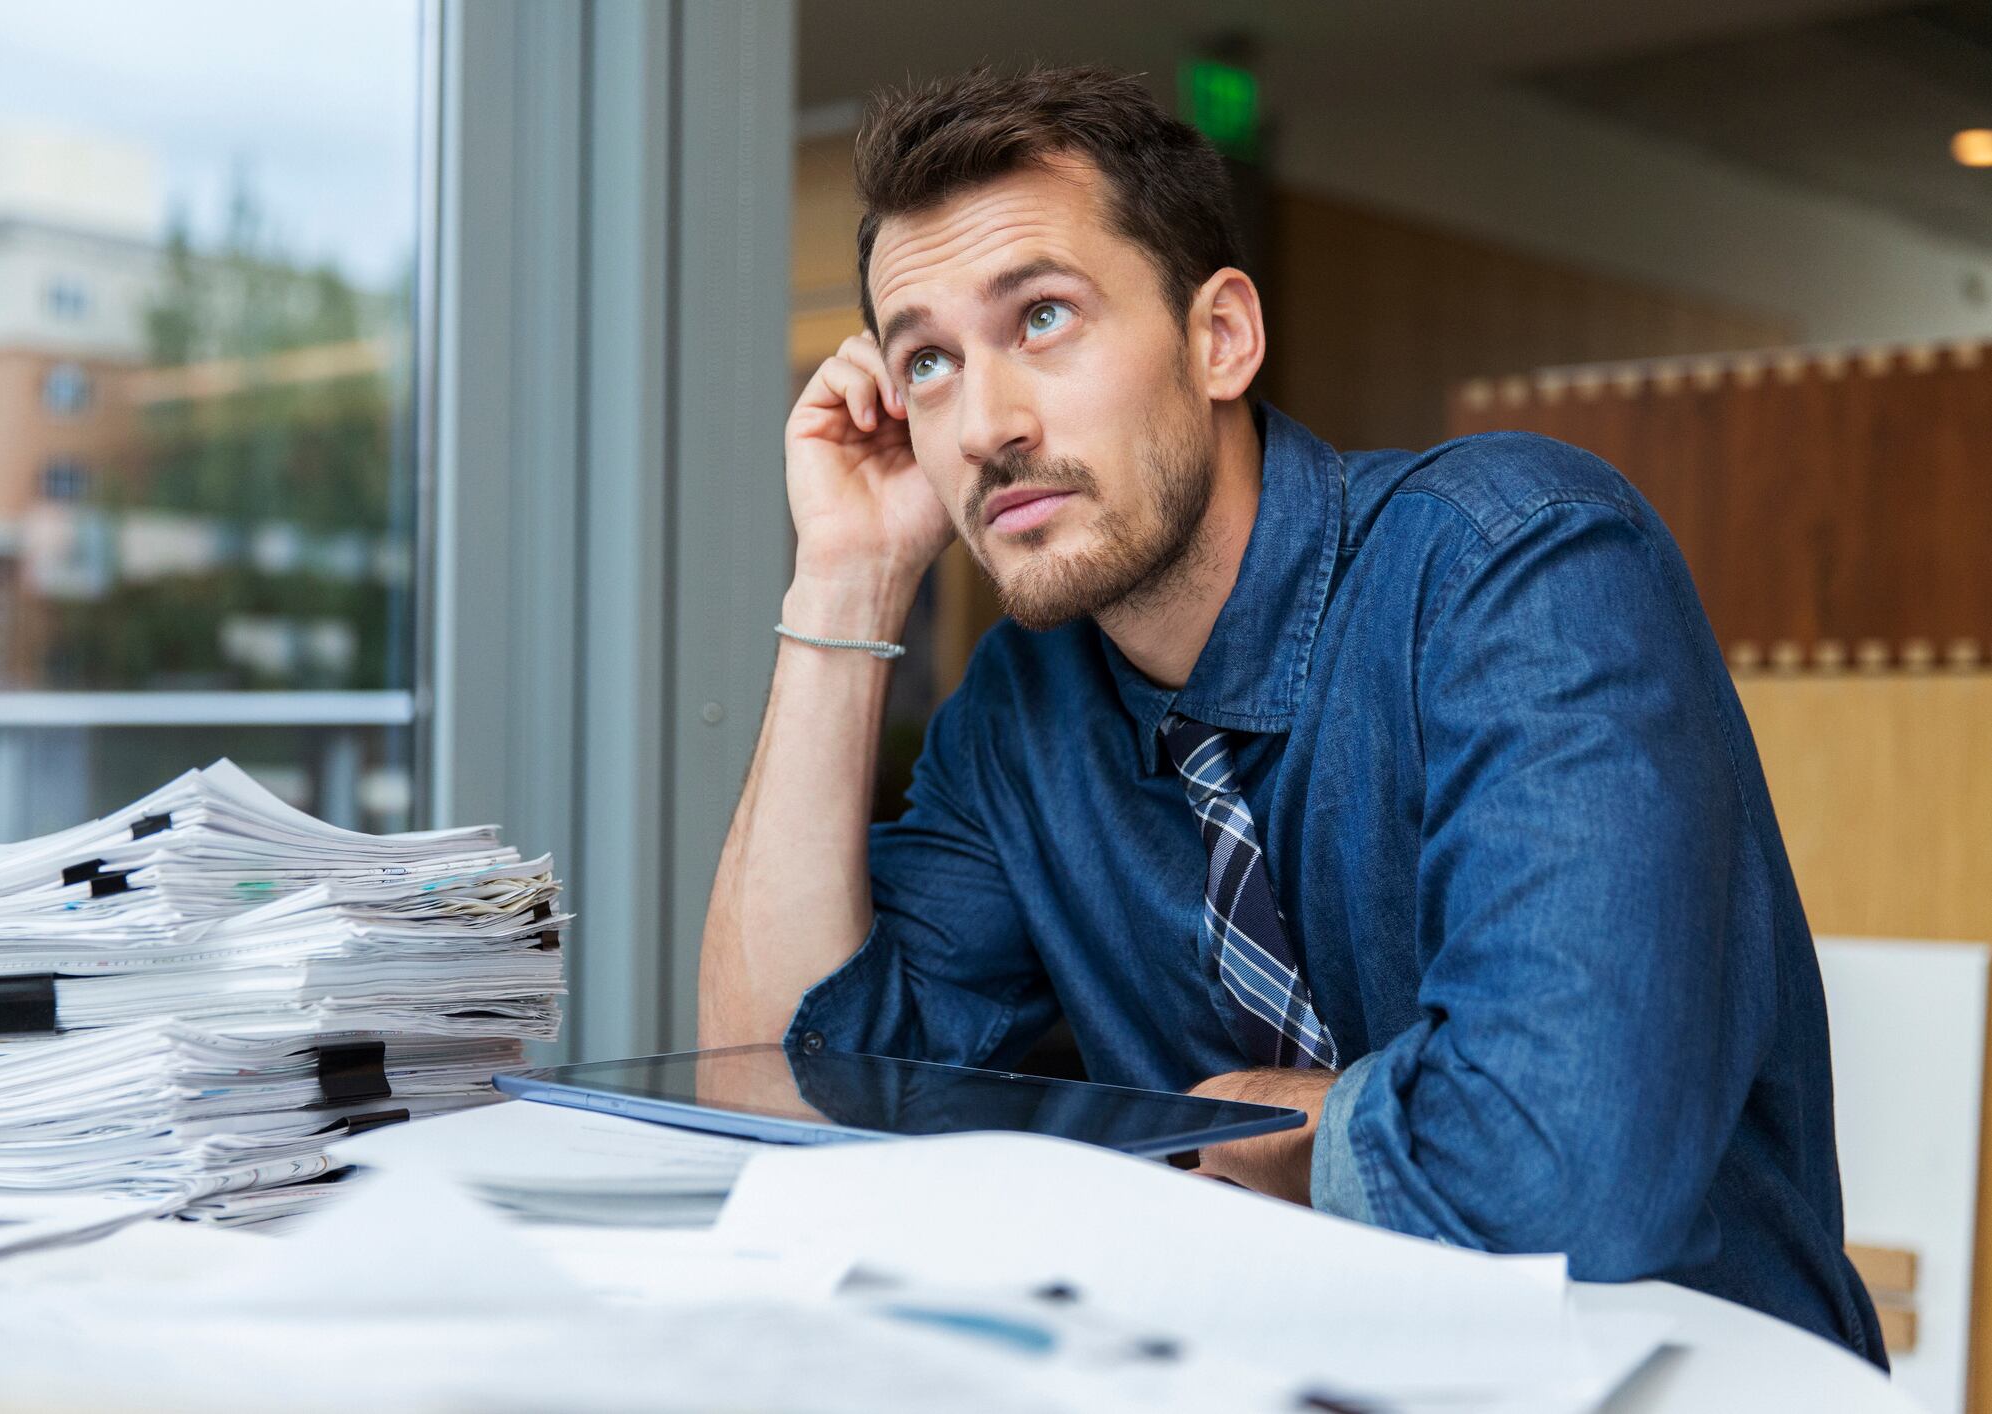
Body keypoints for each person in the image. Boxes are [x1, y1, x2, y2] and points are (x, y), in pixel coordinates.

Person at [696, 64, 1883, 1364]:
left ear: (1220, 339)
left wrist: (1273, 1120)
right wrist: (847, 571)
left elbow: (1562, 1181)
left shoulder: (1518, 564)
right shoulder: (1018, 715)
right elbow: (782, 1086)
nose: (982, 423)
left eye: (1040, 317)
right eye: (925, 360)